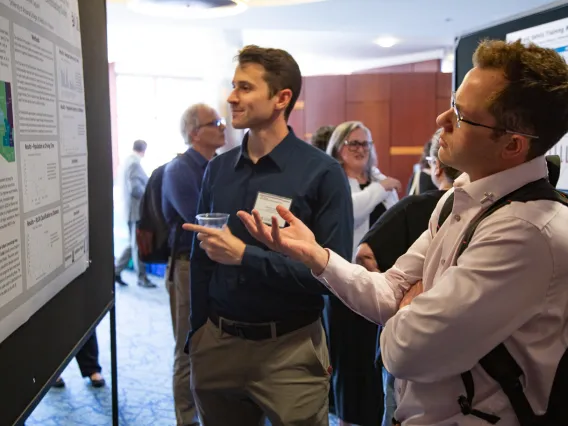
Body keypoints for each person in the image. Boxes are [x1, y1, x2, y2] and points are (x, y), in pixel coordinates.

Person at [237, 39, 568, 425]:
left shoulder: (528, 233)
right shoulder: (455, 200)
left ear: (512, 145)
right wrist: (319, 256)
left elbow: (404, 353)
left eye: (461, 115)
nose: (442, 120)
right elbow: (388, 291)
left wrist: (406, 309)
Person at [183, 45, 353, 425]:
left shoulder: (322, 174)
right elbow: (201, 259)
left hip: (290, 353)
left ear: (281, 98)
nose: (231, 97)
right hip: (218, 347)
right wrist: (197, 334)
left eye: (244, 87)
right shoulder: (219, 169)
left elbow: (334, 274)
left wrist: (245, 255)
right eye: (233, 86)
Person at [356, 128, 460, 426]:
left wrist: (398, 300)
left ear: (435, 166)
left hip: (407, 344)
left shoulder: (417, 206)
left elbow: (364, 253)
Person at [324, 121, 400, 426]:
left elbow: (395, 218)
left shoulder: (378, 180)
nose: (359, 150)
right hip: (344, 283)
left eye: (364, 144)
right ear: (338, 148)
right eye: (352, 143)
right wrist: (381, 188)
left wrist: (380, 186)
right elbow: (349, 211)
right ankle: (346, 419)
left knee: (375, 357)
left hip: (379, 282)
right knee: (349, 358)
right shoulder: (335, 181)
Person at [161, 104, 225, 426]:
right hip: (187, 267)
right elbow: (199, 221)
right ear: (195, 133)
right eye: (216, 122)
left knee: (214, 345)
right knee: (187, 348)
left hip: (216, 266)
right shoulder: (179, 170)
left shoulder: (218, 166)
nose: (223, 126)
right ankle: (186, 420)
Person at [114, 139, 156, 288]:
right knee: (138, 244)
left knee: (132, 243)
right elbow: (135, 189)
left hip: (129, 210)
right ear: (143, 150)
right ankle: (142, 278)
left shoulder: (127, 160)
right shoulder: (134, 163)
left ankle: (116, 270)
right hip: (135, 211)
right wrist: (150, 197)